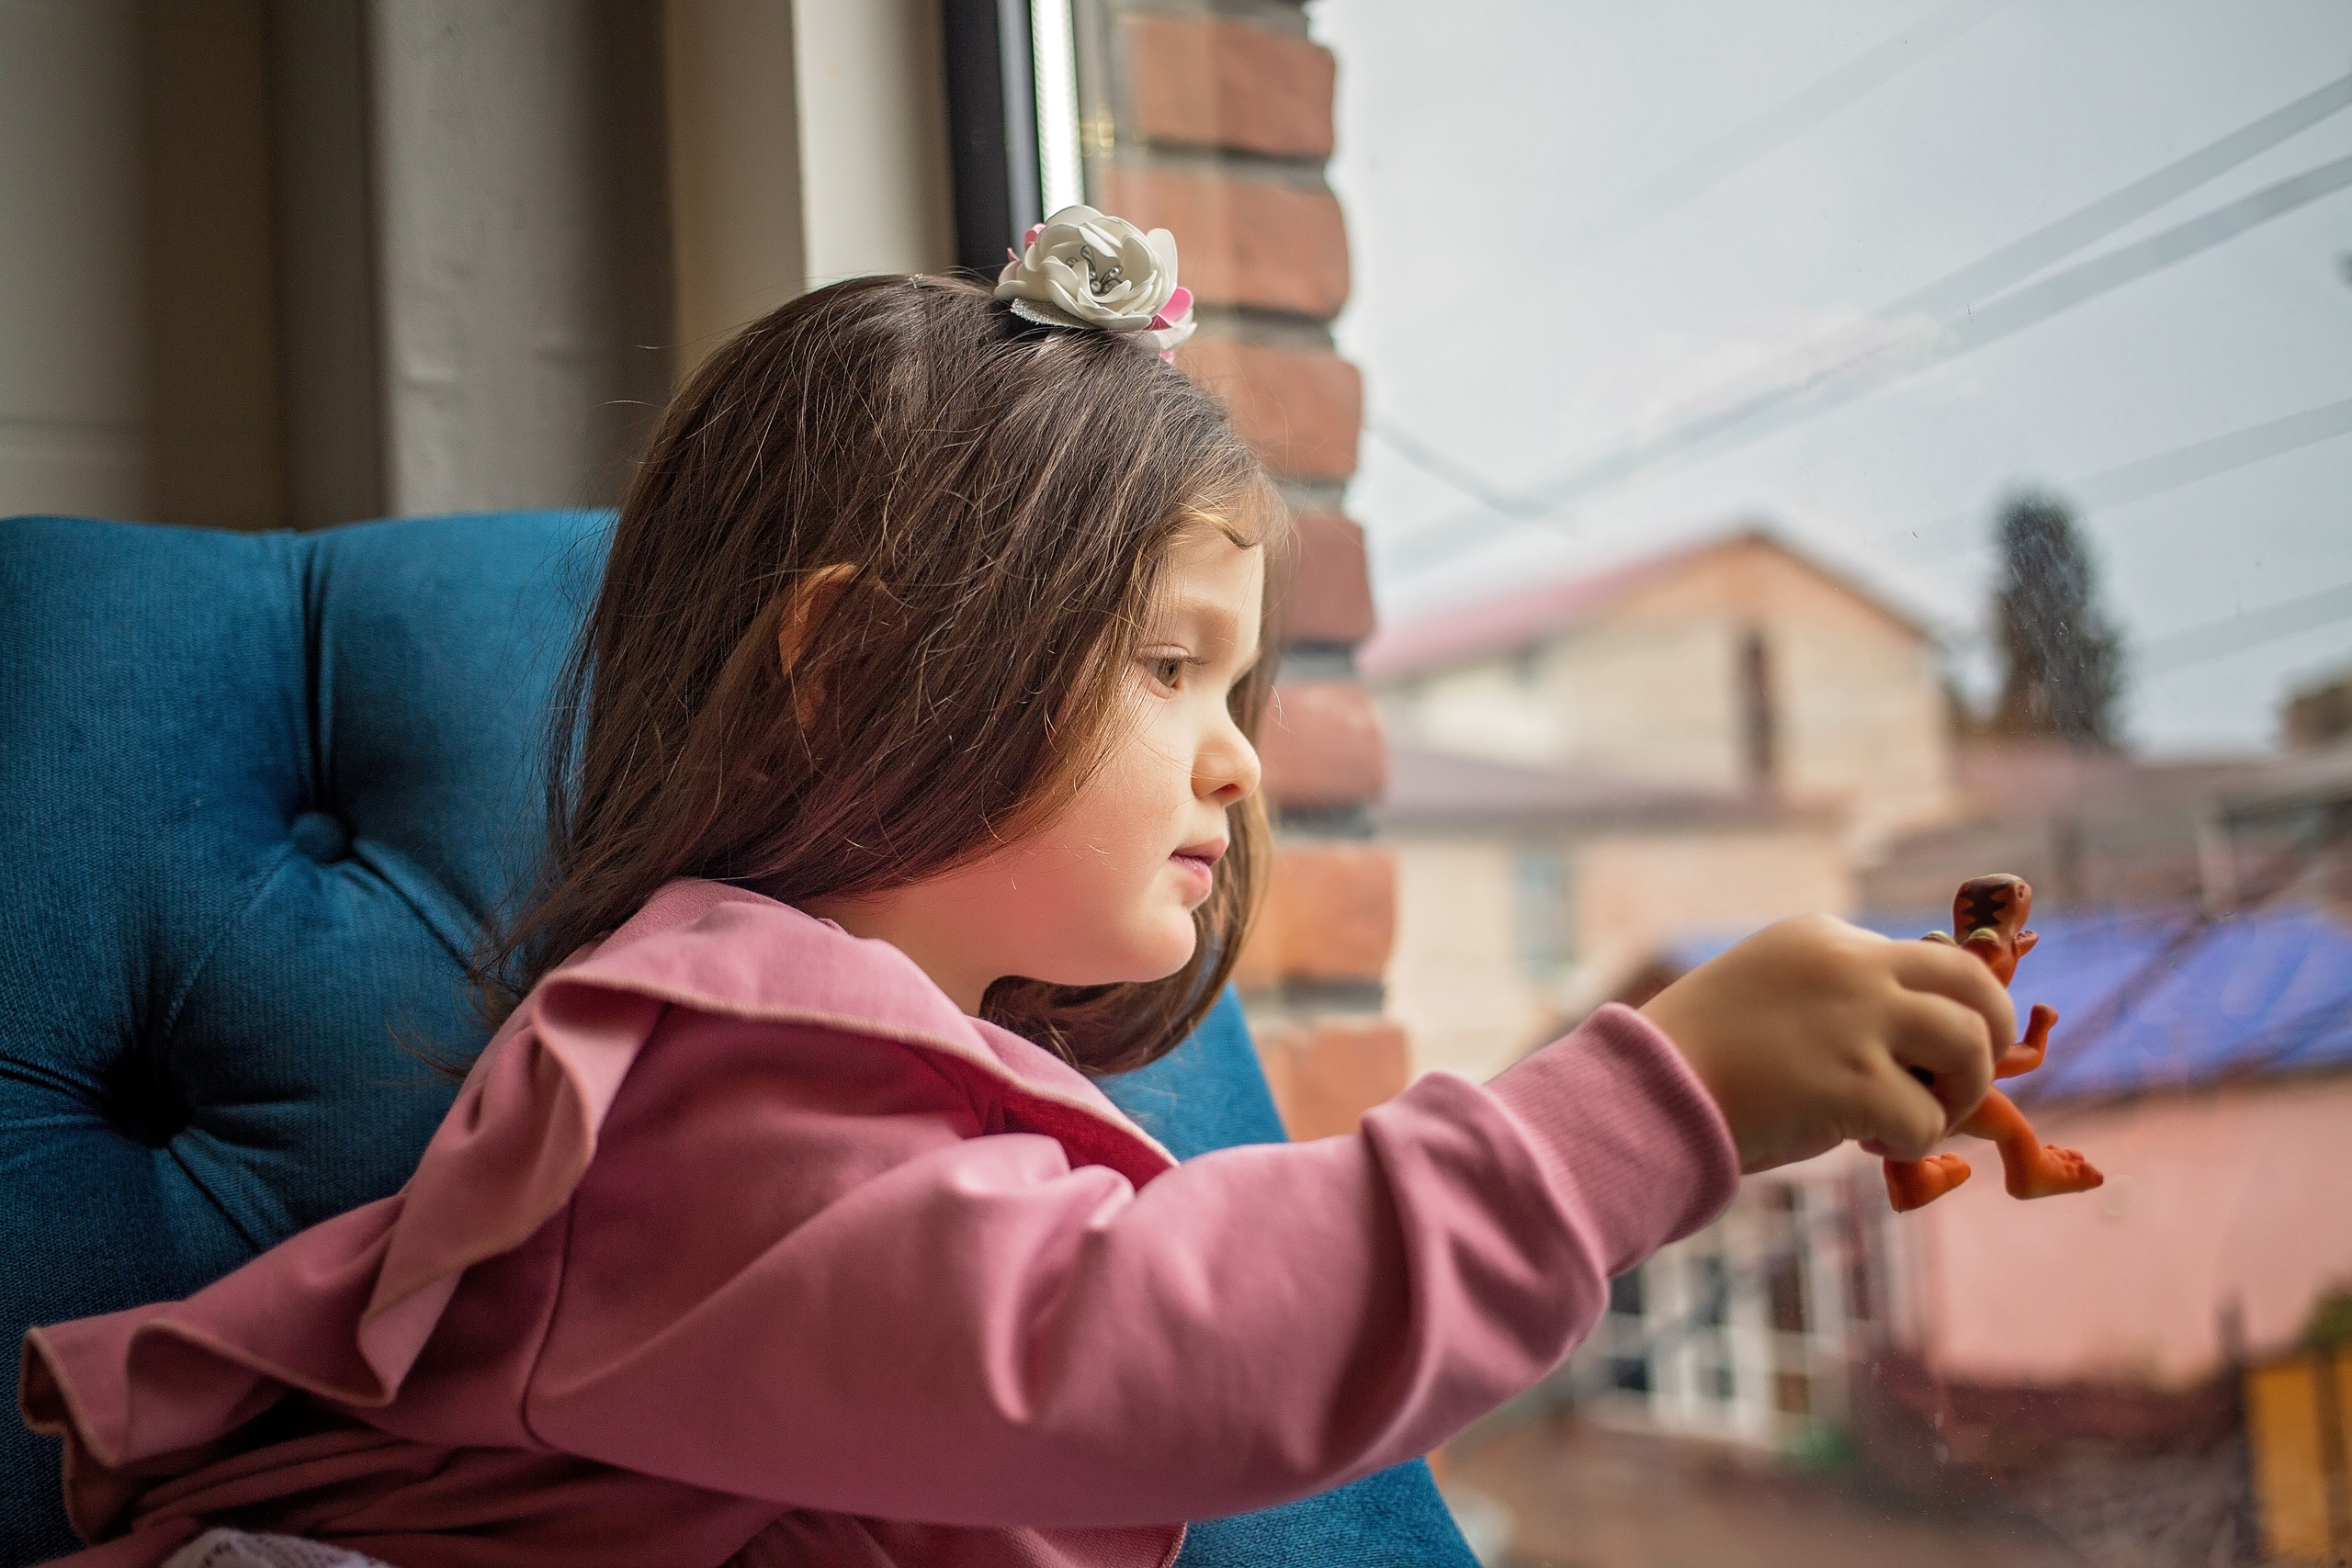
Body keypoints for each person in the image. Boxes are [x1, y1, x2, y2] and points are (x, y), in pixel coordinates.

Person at [19, 209, 2012, 1568]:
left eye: (1236, 685)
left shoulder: (877, 1073)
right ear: (845, 672)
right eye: (1165, 666)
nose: (1236, 757)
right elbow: (1150, 1337)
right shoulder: (702, 1072)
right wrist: (1660, 1101)